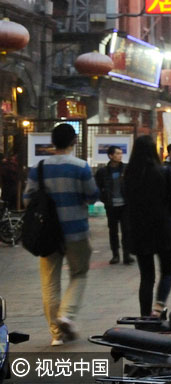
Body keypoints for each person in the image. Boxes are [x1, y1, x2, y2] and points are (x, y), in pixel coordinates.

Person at [23, 123, 99, 346]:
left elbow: (28, 198)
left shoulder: (40, 167)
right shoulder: (81, 167)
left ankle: (56, 334)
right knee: (79, 273)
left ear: (53, 142)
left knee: (50, 281)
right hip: (76, 231)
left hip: (48, 233)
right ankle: (67, 315)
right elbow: (92, 196)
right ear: (74, 141)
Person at [124, 135, 171, 317]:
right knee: (167, 271)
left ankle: (144, 316)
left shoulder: (129, 174)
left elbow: (127, 200)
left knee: (147, 276)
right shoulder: (164, 172)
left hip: (140, 229)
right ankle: (158, 307)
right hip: (164, 227)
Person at [95, 146, 133, 264]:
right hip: (111, 205)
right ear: (111, 156)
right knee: (113, 230)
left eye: (121, 153)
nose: (120, 155)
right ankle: (115, 254)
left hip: (125, 204)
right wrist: (103, 198)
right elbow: (97, 186)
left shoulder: (126, 169)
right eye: (117, 153)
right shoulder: (103, 171)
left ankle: (127, 254)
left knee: (126, 230)